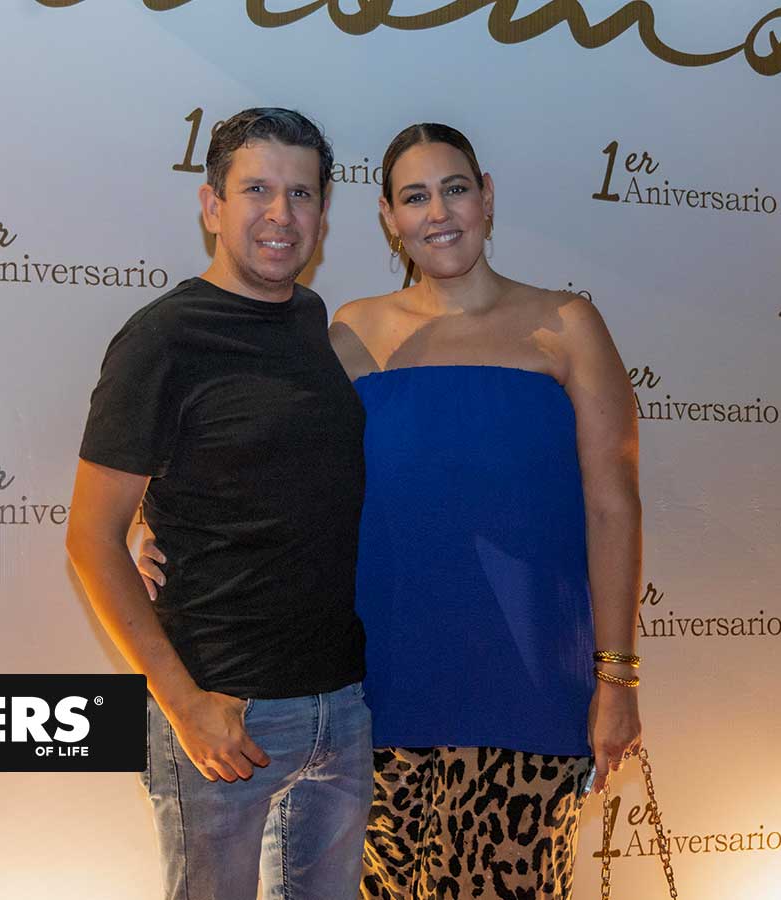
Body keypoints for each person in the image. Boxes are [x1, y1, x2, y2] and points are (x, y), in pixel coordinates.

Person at [141, 121, 644, 900]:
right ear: (387, 216)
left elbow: (613, 508)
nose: (437, 212)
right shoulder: (351, 332)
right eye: (415, 197)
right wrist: (154, 511)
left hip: (530, 679)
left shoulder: (567, 325)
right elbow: (258, 439)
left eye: (455, 189)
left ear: (486, 198)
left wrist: (616, 679)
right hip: (376, 688)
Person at [65, 108, 373, 900]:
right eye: (257, 190)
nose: (282, 215)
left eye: (301, 194)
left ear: (323, 213)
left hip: (338, 707)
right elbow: (92, 538)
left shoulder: (310, 320)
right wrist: (184, 705)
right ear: (213, 206)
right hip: (221, 713)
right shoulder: (163, 338)